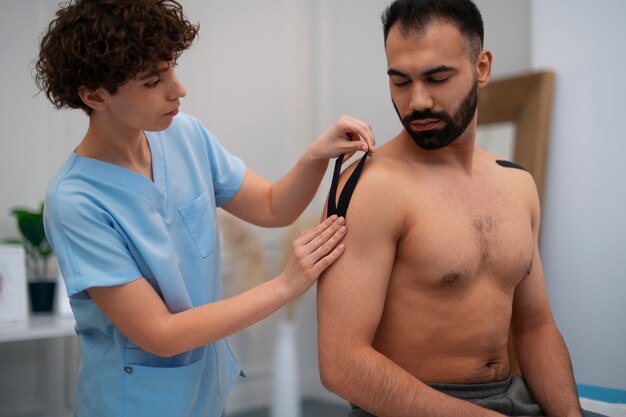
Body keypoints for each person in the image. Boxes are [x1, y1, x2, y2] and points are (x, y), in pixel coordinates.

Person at [35, 1, 375, 416]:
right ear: (95, 95)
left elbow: (271, 207)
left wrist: (315, 156)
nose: (178, 89)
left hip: (204, 392)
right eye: (153, 81)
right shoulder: (76, 201)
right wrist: (286, 284)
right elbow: (160, 333)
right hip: (133, 404)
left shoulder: (185, 135)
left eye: (172, 69)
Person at [317, 1, 606, 416]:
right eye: (400, 81)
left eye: (437, 78)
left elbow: (535, 327)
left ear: (481, 68)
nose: (417, 101)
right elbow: (341, 365)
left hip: (514, 395)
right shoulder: (371, 189)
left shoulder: (517, 183)